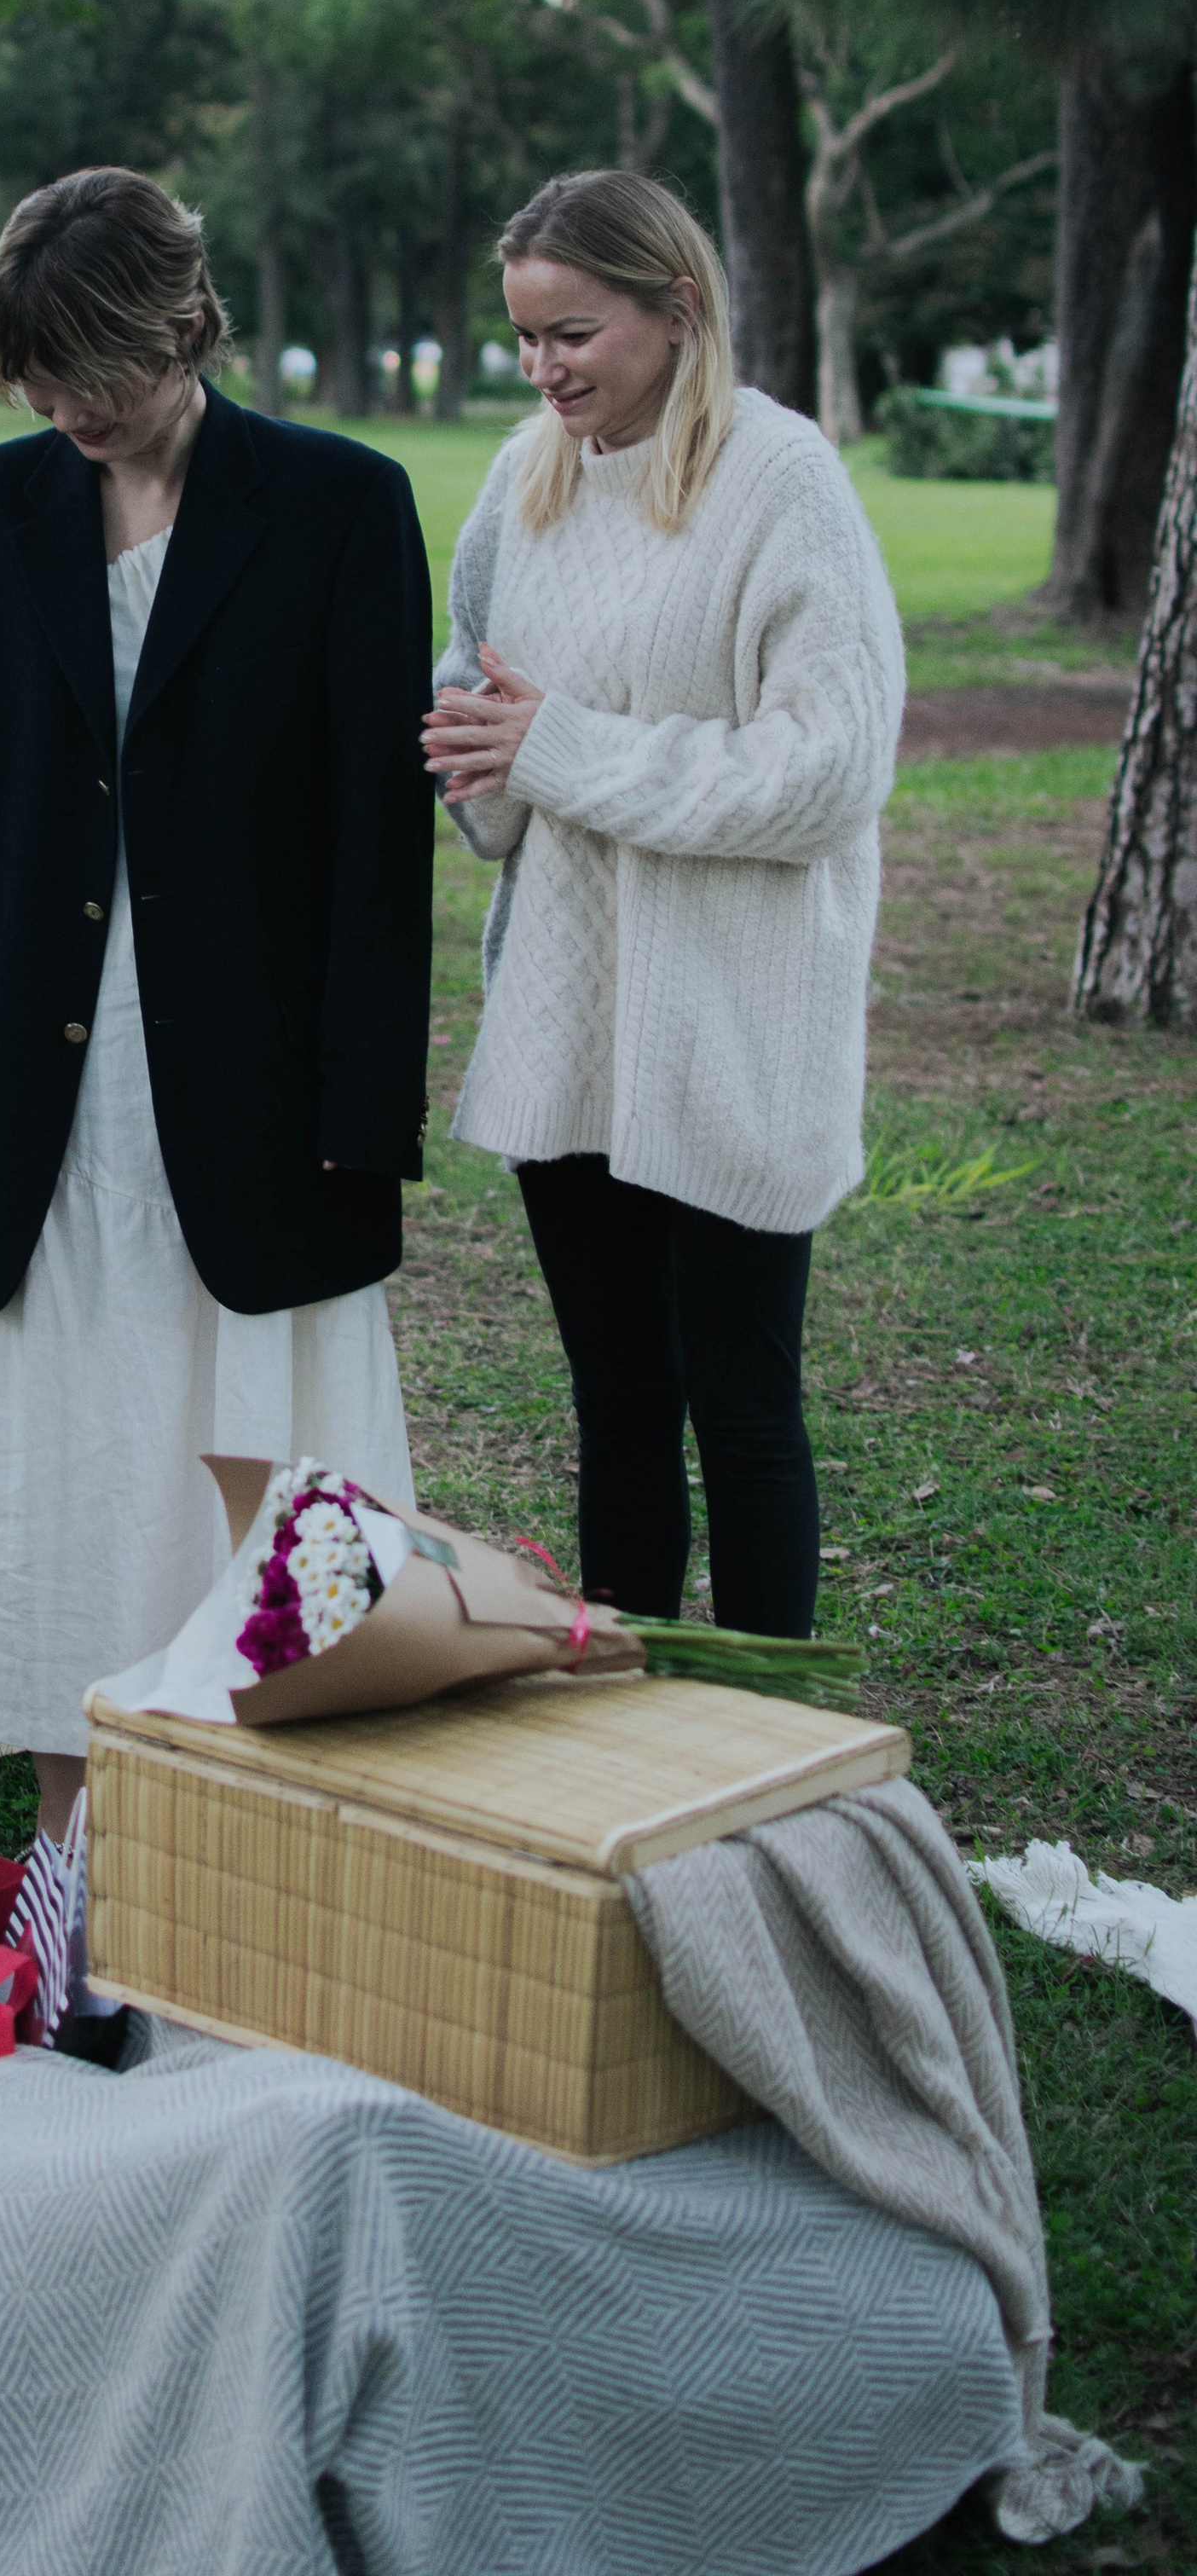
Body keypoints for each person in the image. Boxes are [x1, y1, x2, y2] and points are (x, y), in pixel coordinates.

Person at [0, 168, 433, 1838]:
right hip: (28, 1099)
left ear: (178, 327)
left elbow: (381, 852)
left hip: (260, 1106)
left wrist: (364, 1115)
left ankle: (264, 1823)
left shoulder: (340, 509)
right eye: (34, 379)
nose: (62, 410)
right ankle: (82, 1852)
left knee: (253, 1460)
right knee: (65, 1470)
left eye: (89, 371)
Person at [423, 172, 904, 1641]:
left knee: (742, 1409)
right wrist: (479, 761)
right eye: (522, 340)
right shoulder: (526, 478)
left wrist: (561, 748)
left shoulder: (782, 479)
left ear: (676, 308)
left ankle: (765, 1744)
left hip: (732, 1020)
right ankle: (626, 1736)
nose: (545, 369)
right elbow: (478, 723)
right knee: (618, 1406)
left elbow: (829, 770)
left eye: (573, 333)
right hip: (571, 1024)